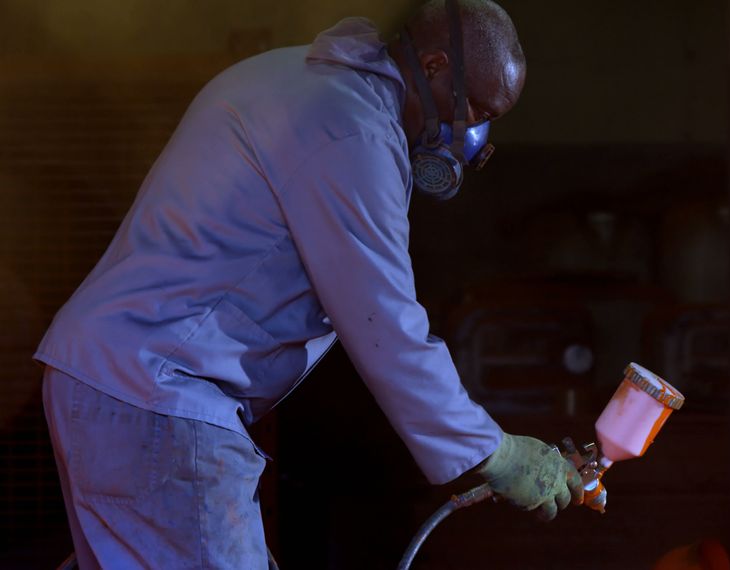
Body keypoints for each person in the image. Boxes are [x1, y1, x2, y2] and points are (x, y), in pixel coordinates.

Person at [35, 1, 583, 567]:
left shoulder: (291, 75)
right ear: (437, 63)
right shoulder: (353, 132)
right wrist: (495, 453)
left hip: (116, 384)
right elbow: (384, 324)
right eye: (475, 108)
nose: (472, 134)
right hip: (160, 397)